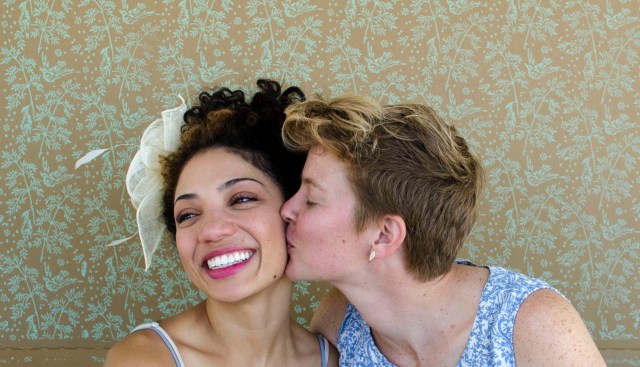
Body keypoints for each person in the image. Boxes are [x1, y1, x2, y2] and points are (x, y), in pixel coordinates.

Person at [279, 95, 606, 366]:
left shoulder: (537, 326)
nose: (286, 210)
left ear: (384, 235)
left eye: (311, 199)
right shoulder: (340, 321)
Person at [104, 80, 338, 366]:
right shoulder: (143, 358)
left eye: (241, 199)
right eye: (188, 215)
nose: (211, 231)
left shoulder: (334, 359)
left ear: (292, 211)